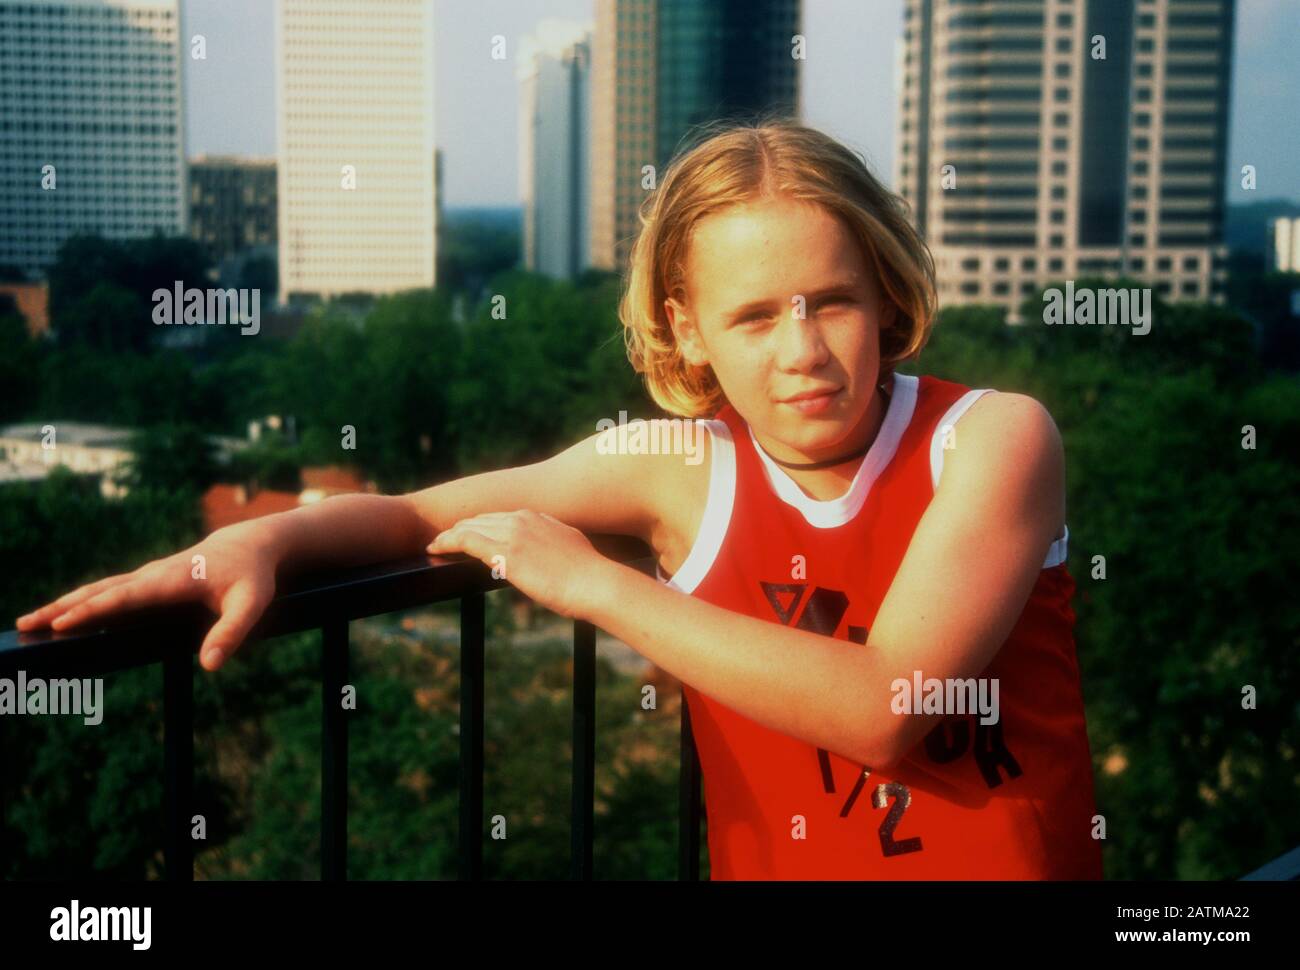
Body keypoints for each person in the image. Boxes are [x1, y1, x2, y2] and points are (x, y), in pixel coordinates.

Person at [16, 119, 1103, 880]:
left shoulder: (992, 439)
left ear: (885, 290)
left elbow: (886, 710)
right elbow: (410, 514)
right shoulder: (679, 465)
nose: (804, 350)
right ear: (685, 331)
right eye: (755, 316)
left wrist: (595, 587)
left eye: (834, 301)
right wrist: (251, 545)